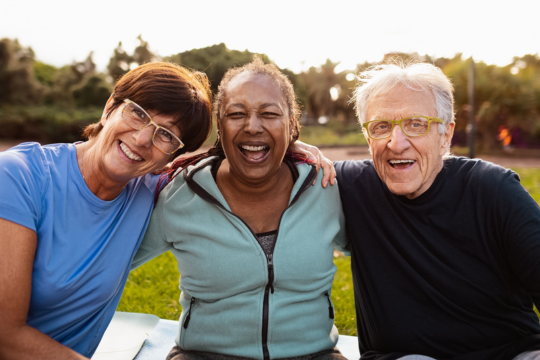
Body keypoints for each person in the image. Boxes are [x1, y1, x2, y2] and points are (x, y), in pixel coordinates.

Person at [134, 58, 349, 360]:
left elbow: (378, 253)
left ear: (292, 126)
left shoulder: (326, 187)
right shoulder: (179, 195)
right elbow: (110, 264)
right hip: (203, 355)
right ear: (219, 128)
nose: (253, 126)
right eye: (236, 114)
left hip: (314, 355)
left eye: (270, 114)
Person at [334, 62, 540, 360]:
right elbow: (270, 165)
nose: (397, 142)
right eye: (381, 127)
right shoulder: (350, 187)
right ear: (368, 138)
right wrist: (303, 150)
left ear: (446, 135)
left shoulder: (494, 190)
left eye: (416, 124)